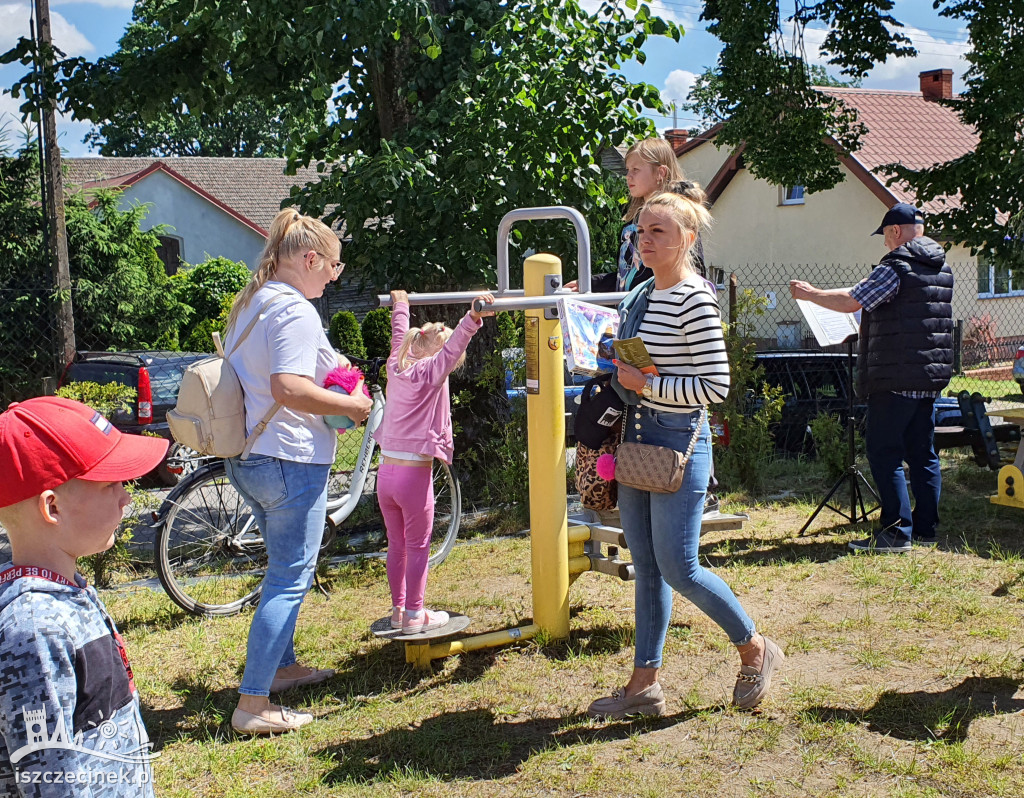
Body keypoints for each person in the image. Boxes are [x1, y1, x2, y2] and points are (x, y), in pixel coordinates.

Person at [587, 191, 784, 720]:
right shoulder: (641, 294)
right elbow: (637, 363)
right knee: (647, 567)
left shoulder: (695, 298)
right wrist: (609, 358)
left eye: (659, 232)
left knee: (680, 568)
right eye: (641, 232)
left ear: (687, 241)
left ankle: (755, 649)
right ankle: (643, 687)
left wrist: (646, 385)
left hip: (678, 442)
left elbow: (716, 386)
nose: (645, 241)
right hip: (636, 437)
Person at [223, 209, 373, 735]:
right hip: (290, 460)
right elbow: (288, 386)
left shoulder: (253, 303)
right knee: (290, 577)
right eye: (332, 265)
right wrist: (350, 407)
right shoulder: (294, 312)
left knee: (281, 569)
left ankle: (281, 669)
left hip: (251, 455)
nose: (335, 275)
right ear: (309, 259)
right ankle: (254, 704)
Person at [0, 396, 169, 795]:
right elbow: (49, 779)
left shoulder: (65, 589)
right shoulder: (34, 629)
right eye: (111, 484)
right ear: (52, 507)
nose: (126, 497)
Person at [566, 137, 720, 513]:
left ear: (661, 173)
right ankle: (637, 474)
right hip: (635, 324)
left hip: (665, 334)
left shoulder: (677, 223)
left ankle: (705, 486)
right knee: (633, 404)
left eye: (635, 170)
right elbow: (627, 276)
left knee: (685, 409)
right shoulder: (636, 221)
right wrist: (589, 284)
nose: (627, 177)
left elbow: (676, 277)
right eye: (628, 170)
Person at [789, 202, 954, 553]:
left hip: (894, 376)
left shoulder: (897, 267)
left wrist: (810, 294)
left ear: (895, 231)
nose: (884, 244)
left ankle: (895, 534)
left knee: (884, 453)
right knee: (923, 454)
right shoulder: (941, 268)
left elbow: (853, 301)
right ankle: (925, 529)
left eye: (885, 236)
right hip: (928, 376)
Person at [375, 289, 494, 634]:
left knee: (396, 544)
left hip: (385, 474)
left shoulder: (395, 366)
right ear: (434, 352)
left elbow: (399, 333)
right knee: (418, 545)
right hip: (413, 476)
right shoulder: (430, 373)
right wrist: (472, 318)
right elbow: (455, 345)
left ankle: (399, 610)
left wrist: (401, 305)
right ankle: (415, 614)